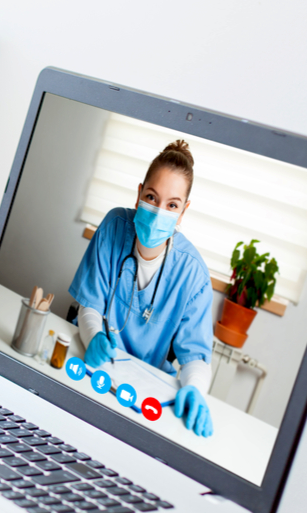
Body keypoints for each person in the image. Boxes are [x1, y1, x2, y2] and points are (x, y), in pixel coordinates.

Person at [67, 140, 215, 437]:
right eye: (151, 197)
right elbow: (90, 306)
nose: (159, 212)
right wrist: (94, 336)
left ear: (183, 212)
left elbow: (195, 357)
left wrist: (196, 389)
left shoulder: (193, 275)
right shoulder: (114, 226)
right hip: (91, 364)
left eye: (172, 205)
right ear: (138, 195)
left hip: (141, 391)